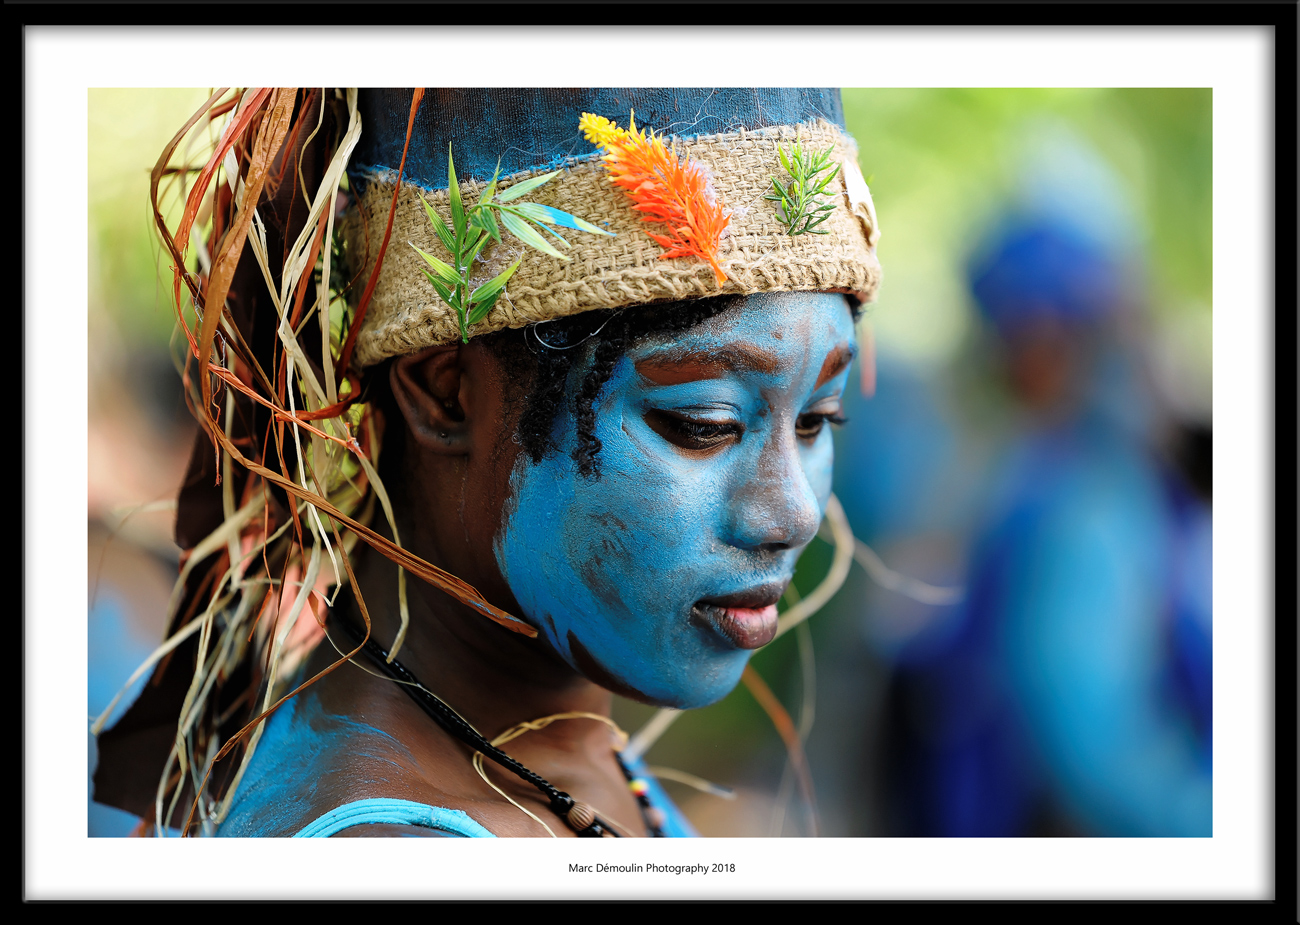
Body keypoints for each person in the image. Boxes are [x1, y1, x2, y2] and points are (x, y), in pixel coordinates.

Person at [92, 87, 882, 837]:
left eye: (819, 418)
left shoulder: (556, 755)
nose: (793, 512)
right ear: (447, 394)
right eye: (702, 423)